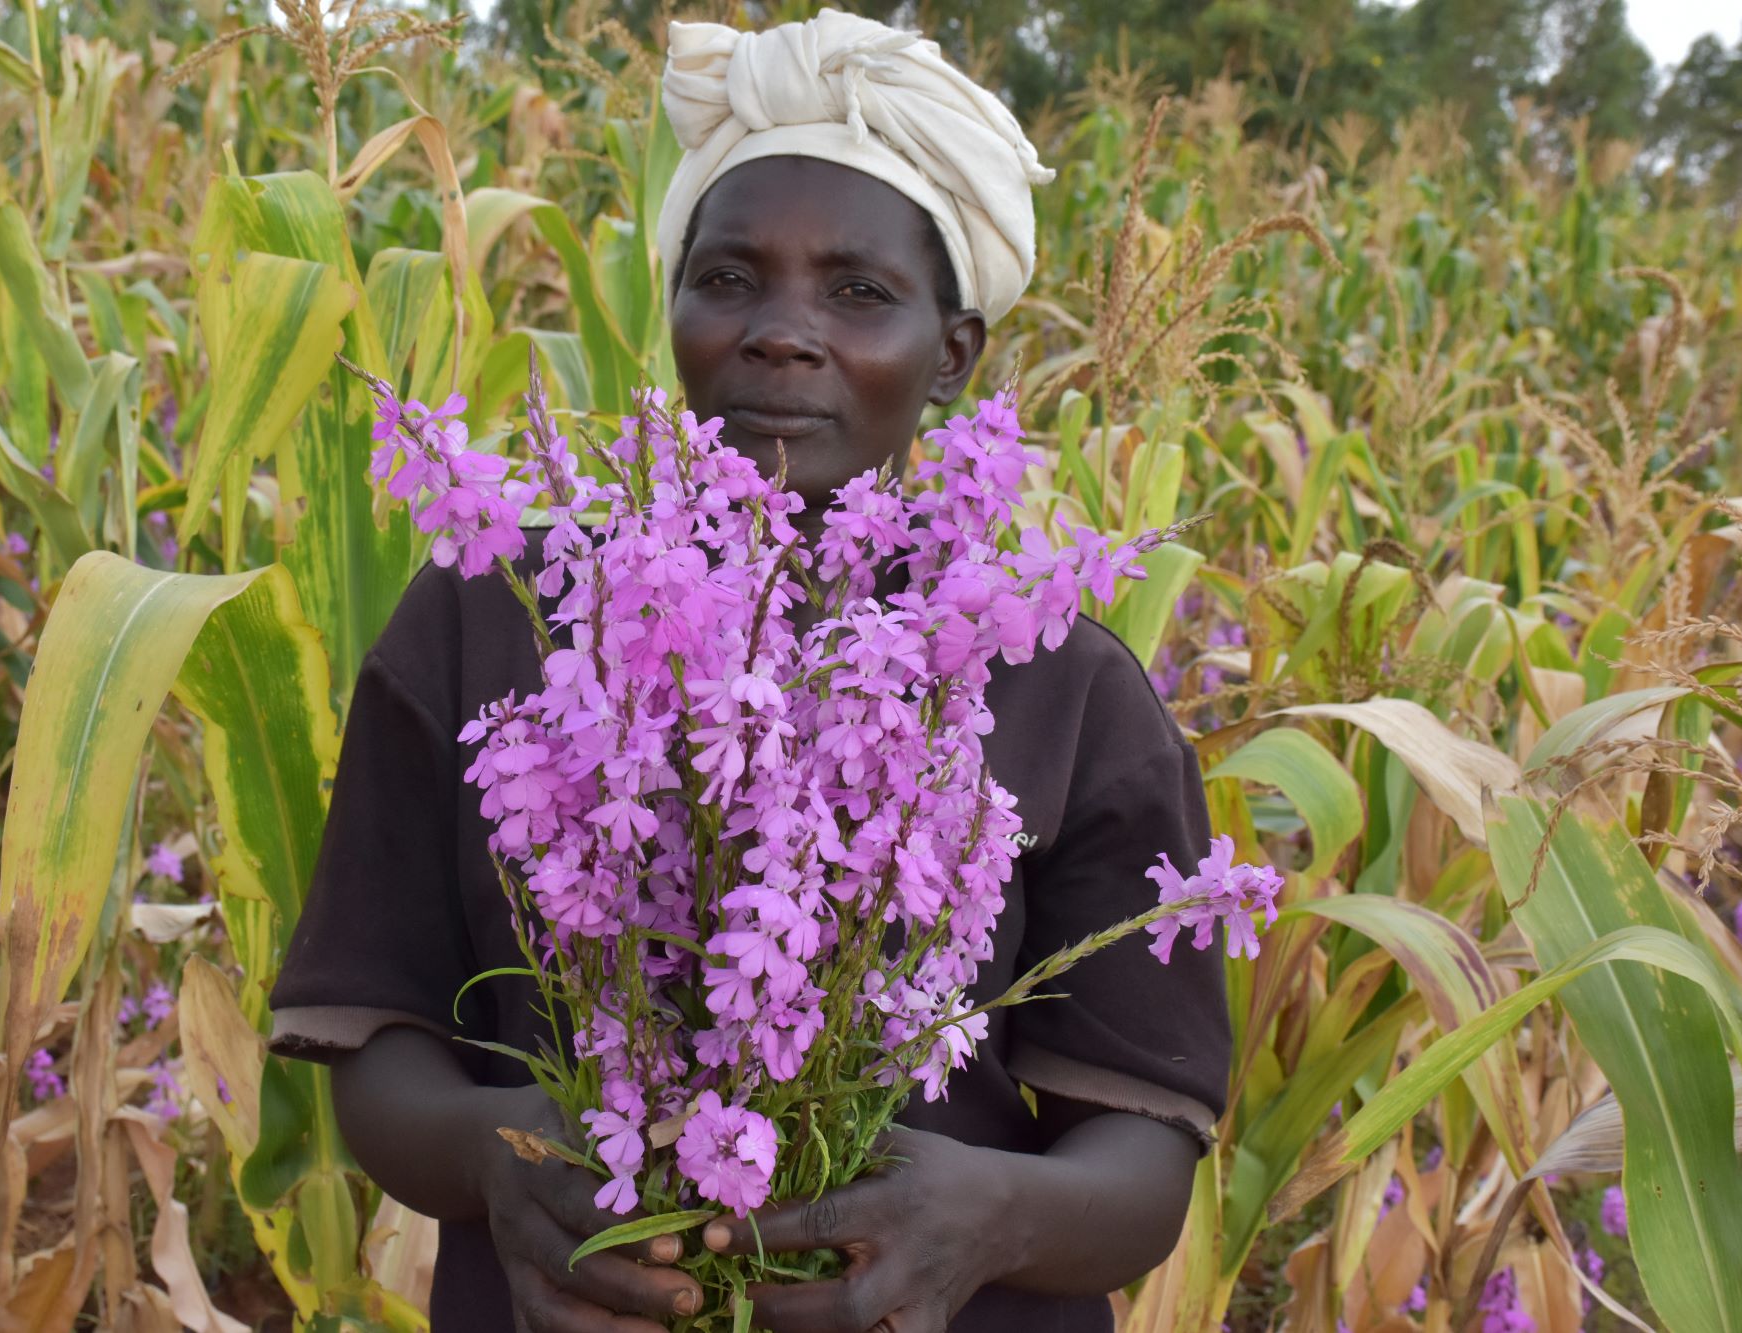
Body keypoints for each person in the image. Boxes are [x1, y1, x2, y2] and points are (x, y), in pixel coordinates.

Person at [268, 10, 1230, 1330]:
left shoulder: (1063, 686)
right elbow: (376, 1044)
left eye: (858, 290)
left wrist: (984, 1219)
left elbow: (1143, 1157)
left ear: (955, 352)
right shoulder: (487, 614)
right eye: (728, 278)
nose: (783, 333)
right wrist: (512, 1160)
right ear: (668, 307)